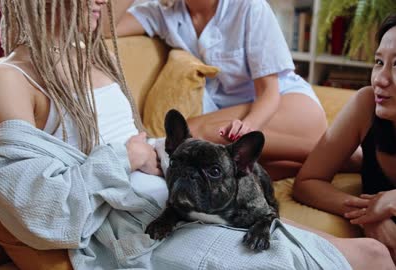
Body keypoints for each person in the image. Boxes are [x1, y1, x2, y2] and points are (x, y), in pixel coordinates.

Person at [0, 0, 395, 269]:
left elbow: (135, 143)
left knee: (376, 255)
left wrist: (156, 153)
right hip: (140, 226)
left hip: (184, 203)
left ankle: (348, 162)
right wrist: (128, 158)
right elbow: (31, 206)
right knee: (369, 258)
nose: (100, 3)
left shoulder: (93, 61)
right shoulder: (8, 76)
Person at [116, 0, 328, 180]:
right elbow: (103, 26)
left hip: (287, 107)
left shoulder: (248, 6)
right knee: (236, 172)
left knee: (195, 133)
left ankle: (343, 153)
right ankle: (341, 159)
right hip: (238, 119)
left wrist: (247, 128)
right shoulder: (162, 11)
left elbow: (269, 92)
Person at [293, 10, 396, 270]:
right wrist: (370, 216)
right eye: (379, 62)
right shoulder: (366, 104)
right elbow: (308, 181)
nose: (380, 79)